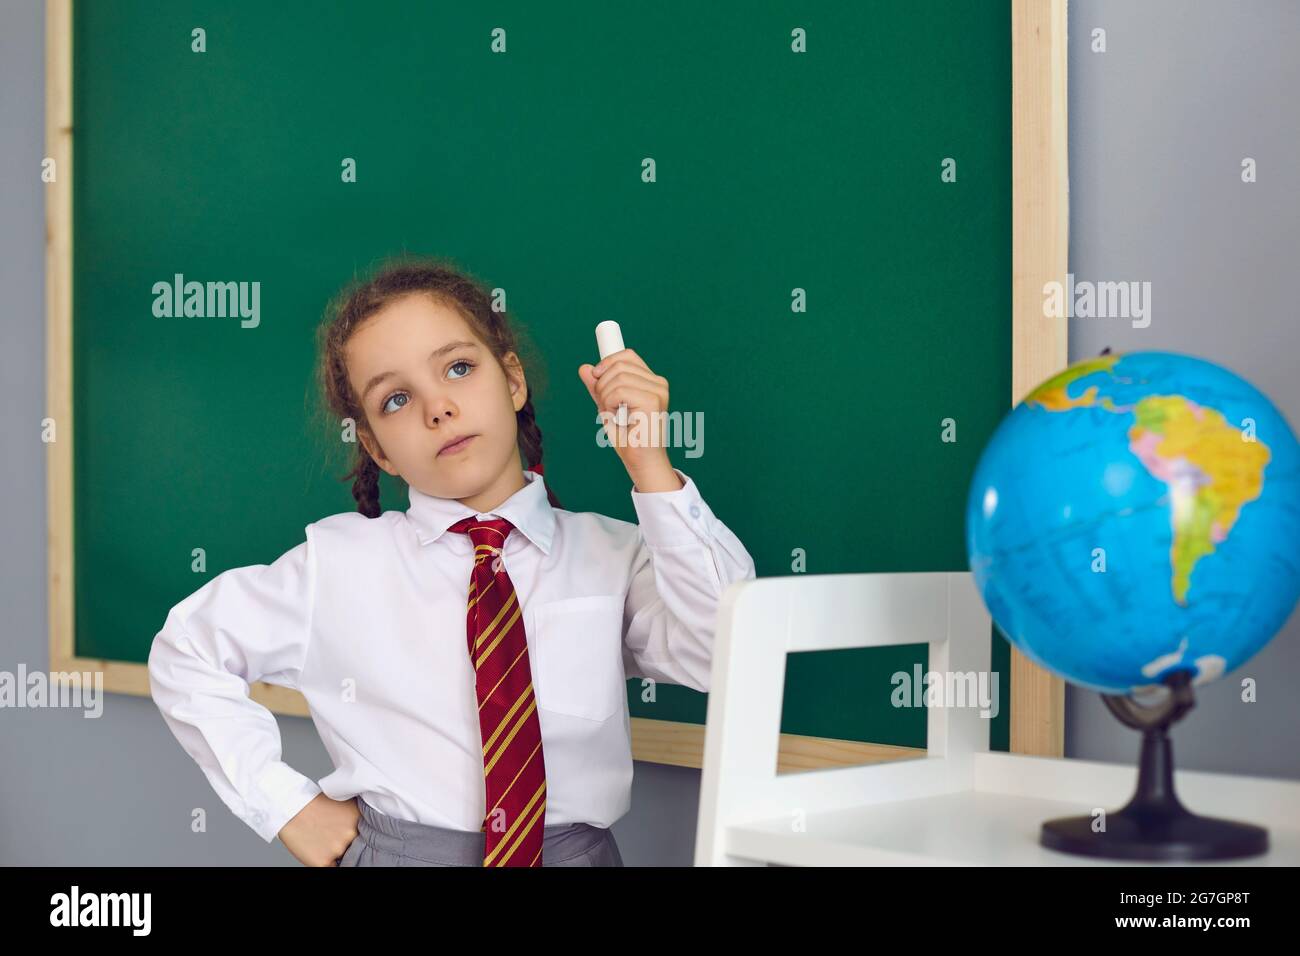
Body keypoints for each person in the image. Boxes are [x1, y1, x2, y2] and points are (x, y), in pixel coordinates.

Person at [147, 255, 756, 866]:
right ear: (377, 449)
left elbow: (724, 652)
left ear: (513, 381)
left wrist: (649, 466)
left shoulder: (611, 554)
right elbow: (188, 649)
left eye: (459, 368)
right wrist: (284, 806)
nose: (437, 408)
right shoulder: (337, 566)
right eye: (395, 400)